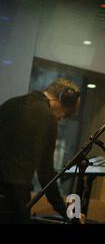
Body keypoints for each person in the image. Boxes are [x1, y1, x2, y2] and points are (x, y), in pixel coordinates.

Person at [0, 78, 81, 223]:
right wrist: (68, 214)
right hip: (13, 200)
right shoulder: (48, 117)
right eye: (66, 114)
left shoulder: (11, 103)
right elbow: (46, 173)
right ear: (64, 100)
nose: (61, 119)